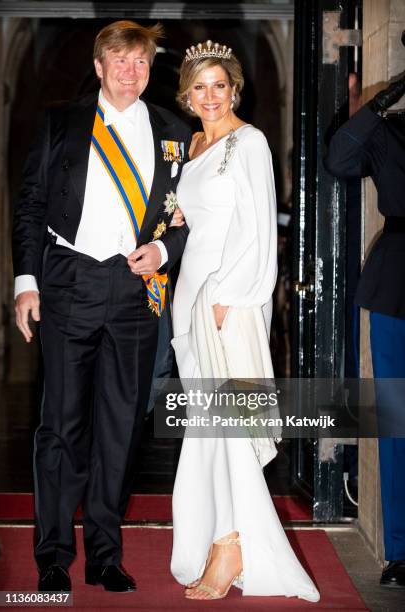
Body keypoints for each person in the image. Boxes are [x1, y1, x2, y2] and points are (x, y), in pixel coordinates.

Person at [12, 20, 191, 593]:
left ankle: (107, 555)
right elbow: (31, 204)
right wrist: (25, 282)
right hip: (67, 283)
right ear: (98, 67)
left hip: (135, 292)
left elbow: (193, 218)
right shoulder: (61, 122)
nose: (130, 73)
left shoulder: (174, 131)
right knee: (60, 426)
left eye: (140, 63)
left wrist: (164, 248)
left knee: (119, 426)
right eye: (120, 61)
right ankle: (54, 556)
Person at [169, 40, 320, 602]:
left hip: (226, 302)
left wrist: (231, 296)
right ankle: (213, 537)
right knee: (206, 428)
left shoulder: (249, 141)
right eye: (199, 87)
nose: (210, 96)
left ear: (234, 89)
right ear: (187, 94)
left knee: (232, 426)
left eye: (219, 85)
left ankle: (232, 546)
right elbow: (199, 222)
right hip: (189, 299)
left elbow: (258, 226)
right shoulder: (193, 145)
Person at [324, 75, 405, 589]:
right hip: (397, 279)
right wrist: (375, 105)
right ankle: (401, 550)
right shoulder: (388, 130)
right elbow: (337, 160)